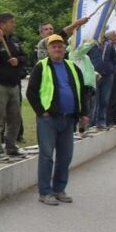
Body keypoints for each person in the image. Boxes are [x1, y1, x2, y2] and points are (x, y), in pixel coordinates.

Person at [26, 34, 88, 206]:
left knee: (65, 156)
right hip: (48, 119)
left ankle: (59, 189)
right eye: (54, 46)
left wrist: (83, 113)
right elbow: (31, 92)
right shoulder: (41, 67)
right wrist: (41, 112)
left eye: (60, 46)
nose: (57, 49)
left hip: (68, 118)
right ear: (48, 50)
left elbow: (81, 91)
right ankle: (45, 192)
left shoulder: (72, 67)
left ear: (64, 49)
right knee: (46, 156)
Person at [0, 13, 28, 162]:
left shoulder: (15, 41)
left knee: (15, 118)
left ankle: (11, 147)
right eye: (11, 22)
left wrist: (18, 60)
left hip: (13, 85)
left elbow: (25, 57)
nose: (14, 25)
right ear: (2, 24)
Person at [88, 30, 116, 131]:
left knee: (104, 100)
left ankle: (101, 122)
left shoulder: (109, 45)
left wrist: (112, 70)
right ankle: (91, 123)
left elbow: (115, 60)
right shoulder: (91, 44)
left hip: (107, 76)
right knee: (94, 101)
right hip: (94, 76)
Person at [69, 39, 99, 137]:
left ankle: (82, 130)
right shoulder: (74, 53)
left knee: (87, 108)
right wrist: (93, 41)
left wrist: (95, 74)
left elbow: (87, 68)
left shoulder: (85, 56)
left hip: (89, 84)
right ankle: (74, 131)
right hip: (82, 84)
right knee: (80, 108)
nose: (83, 45)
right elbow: (83, 50)